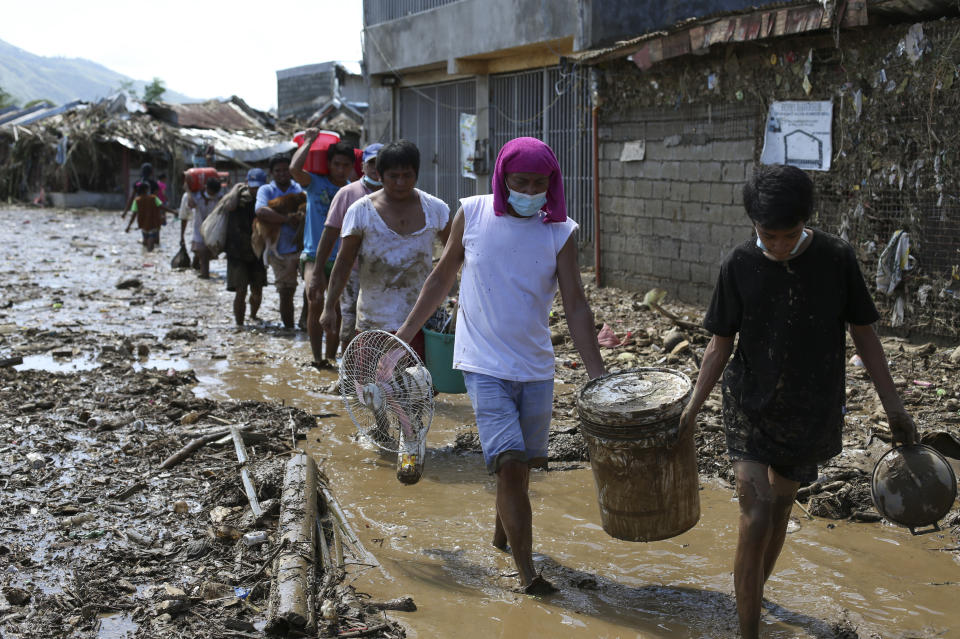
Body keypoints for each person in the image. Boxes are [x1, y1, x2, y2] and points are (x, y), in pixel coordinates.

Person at [678, 164, 918, 639]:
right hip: (750, 405)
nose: (779, 246)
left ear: (807, 220)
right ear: (753, 225)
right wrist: (691, 407)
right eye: (768, 235)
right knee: (755, 514)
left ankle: (753, 596)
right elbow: (719, 344)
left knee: (781, 513)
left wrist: (894, 407)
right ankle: (748, 631)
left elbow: (865, 335)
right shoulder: (739, 265)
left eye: (788, 235)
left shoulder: (835, 258)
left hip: (810, 409)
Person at [395, 137, 605, 594]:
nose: (529, 190)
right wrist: (401, 337)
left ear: (551, 184)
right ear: (502, 179)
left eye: (538, 183)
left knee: (522, 467)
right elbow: (440, 278)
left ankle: (500, 533)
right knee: (510, 465)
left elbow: (576, 303)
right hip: (482, 363)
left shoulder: (561, 231)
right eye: (520, 181)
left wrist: (598, 377)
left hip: (535, 368)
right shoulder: (471, 212)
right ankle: (528, 573)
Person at [320, 140, 450, 362]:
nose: (400, 182)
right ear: (379, 175)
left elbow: (456, 256)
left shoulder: (436, 209)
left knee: (417, 389)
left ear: (416, 174)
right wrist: (329, 307)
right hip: (373, 321)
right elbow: (343, 262)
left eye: (407, 175)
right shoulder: (360, 211)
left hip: (420, 320)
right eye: (393, 176)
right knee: (372, 390)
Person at [311, 142, 383, 357]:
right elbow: (330, 233)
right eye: (372, 164)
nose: (376, 169)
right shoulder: (348, 193)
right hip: (353, 272)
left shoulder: (396, 195)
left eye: (381, 164)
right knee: (350, 326)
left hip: (384, 274)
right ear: (362, 166)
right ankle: (347, 377)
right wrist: (317, 271)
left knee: (382, 326)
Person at [290, 128, 355, 364]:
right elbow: (294, 170)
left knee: (336, 310)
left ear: (351, 167)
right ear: (329, 164)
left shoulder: (352, 190)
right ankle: (317, 360)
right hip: (312, 255)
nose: (340, 169)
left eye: (345, 165)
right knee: (314, 300)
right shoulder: (315, 183)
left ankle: (330, 358)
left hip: (342, 258)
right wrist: (308, 141)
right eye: (336, 164)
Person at [255, 155, 304, 329]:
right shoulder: (266, 190)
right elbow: (260, 211)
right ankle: (289, 329)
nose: (282, 174)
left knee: (312, 289)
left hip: (303, 248)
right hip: (279, 251)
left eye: (285, 170)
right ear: (272, 173)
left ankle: (305, 322)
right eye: (278, 171)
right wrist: (286, 219)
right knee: (286, 291)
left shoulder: (299, 187)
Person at [222, 168, 269, 326]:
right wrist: (236, 189)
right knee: (240, 291)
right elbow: (228, 205)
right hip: (237, 252)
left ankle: (253, 316)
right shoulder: (237, 199)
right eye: (252, 186)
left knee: (257, 290)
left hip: (258, 252)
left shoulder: (267, 200)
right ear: (247, 184)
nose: (255, 190)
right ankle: (240, 325)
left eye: (258, 187)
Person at [124, 181, 176, 251]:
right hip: (154, 224)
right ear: (146, 190)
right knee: (151, 246)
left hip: (143, 226)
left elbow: (133, 215)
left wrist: (128, 226)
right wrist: (173, 212)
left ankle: (144, 258)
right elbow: (162, 207)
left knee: (145, 245)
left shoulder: (136, 201)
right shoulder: (154, 198)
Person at [191, 177, 222, 279]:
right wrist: (188, 190)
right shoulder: (197, 197)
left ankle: (201, 272)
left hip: (212, 232)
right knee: (203, 254)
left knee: (204, 255)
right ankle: (204, 276)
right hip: (199, 231)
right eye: (210, 191)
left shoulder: (219, 198)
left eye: (214, 192)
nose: (212, 194)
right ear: (206, 188)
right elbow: (190, 204)